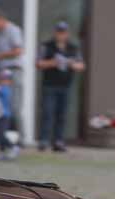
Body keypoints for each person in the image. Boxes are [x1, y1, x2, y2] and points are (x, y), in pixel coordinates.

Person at [36, 21, 85, 152]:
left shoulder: (73, 47)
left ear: (67, 34)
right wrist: (53, 62)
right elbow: (39, 63)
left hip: (65, 86)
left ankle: (58, 141)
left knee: (61, 115)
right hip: (49, 85)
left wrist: (71, 64)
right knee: (47, 113)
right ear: (55, 32)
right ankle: (43, 140)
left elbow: (81, 66)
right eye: (58, 32)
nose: (61, 35)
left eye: (63, 32)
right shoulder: (47, 46)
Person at [0, 9, 23, 134]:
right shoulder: (0, 34)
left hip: (13, 71)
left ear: (0, 19)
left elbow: (18, 51)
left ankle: (21, 138)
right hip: (2, 73)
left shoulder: (13, 30)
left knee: (14, 106)